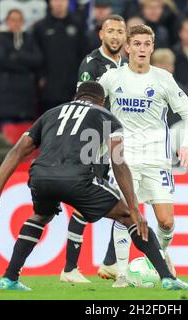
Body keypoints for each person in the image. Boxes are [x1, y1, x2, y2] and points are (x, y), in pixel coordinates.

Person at [0, 81, 188, 291]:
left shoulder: (51, 113)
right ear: (102, 101)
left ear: (76, 98)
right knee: (128, 216)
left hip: (41, 176)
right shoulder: (105, 116)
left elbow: (17, 151)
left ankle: (9, 278)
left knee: (40, 216)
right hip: (77, 177)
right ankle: (167, 277)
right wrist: (134, 207)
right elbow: (118, 161)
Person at [98, 24, 188, 287]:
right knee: (125, 214)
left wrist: (185, 145)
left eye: (146, 44)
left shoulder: (163, 78)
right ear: (127, 47)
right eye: (137, 44)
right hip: (123, 160)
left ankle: (161, 258)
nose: (142, 49)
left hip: (157, 159)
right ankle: (120, 274)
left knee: (166, 221)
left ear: (152, 47)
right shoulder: (111, 78)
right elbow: (89, 105)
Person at [60, 14, 128, 284]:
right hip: (96, 141)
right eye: (110, 31)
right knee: (86, 202)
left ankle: (111, 261)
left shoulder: (126, 63)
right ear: (101, 34)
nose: (115, 36)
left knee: (125, 198)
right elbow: (84, 102)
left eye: (119, 31)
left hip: (120, 139)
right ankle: (70, 268)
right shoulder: (92, 63)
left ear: (125, 36)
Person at [33, 0, 88, 113]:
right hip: (48, 88)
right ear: (50, 2)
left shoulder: (78, 24)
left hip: (72, 87)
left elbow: (83, 54)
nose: (59, 3)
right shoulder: (40, 27)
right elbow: (36, 56)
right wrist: (40, 77)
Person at [0, 9, 43, 126]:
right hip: (5, 97)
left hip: (26, 98)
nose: (16, 23)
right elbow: (1, 60)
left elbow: (37, 59)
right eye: (13, 20)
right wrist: (25, 63)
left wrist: (16, 55)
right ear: (6, 21)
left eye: (19, 20)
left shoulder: (29, 38)